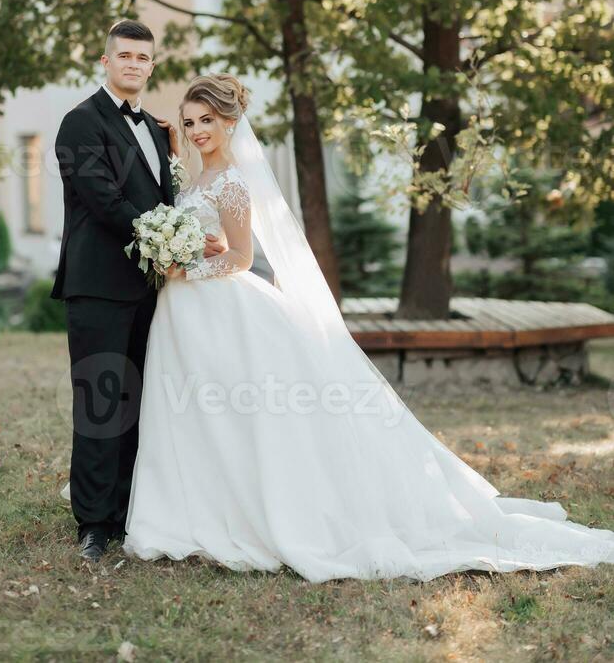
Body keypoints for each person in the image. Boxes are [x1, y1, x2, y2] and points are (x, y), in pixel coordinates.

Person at [122, 73, 614, 582]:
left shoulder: (232, 182)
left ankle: (256, 515)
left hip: (221, 310)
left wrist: (187, 268)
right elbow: (214, 239)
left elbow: (244, 259)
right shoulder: (195, 177)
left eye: (207, 120)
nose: (198, 129)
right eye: (189, 122)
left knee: (234, 414)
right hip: (183, 315)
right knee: (200, 414)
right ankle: (194, 511)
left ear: (229, 122)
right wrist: (177, 244)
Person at [52, 21, 226, 562]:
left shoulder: (155, 128)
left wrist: (182, 238)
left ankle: (131, 510)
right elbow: (104, 201)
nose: (133, 64)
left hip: (155, 289)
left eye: (142, 58)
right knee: (102, 404)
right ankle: (95, 524)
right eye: (123, 55)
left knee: (143, 404)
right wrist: (170, 239)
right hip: (99, 287)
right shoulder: (79, 123)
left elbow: (170, 195)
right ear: (106, 62)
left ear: (152, 66)